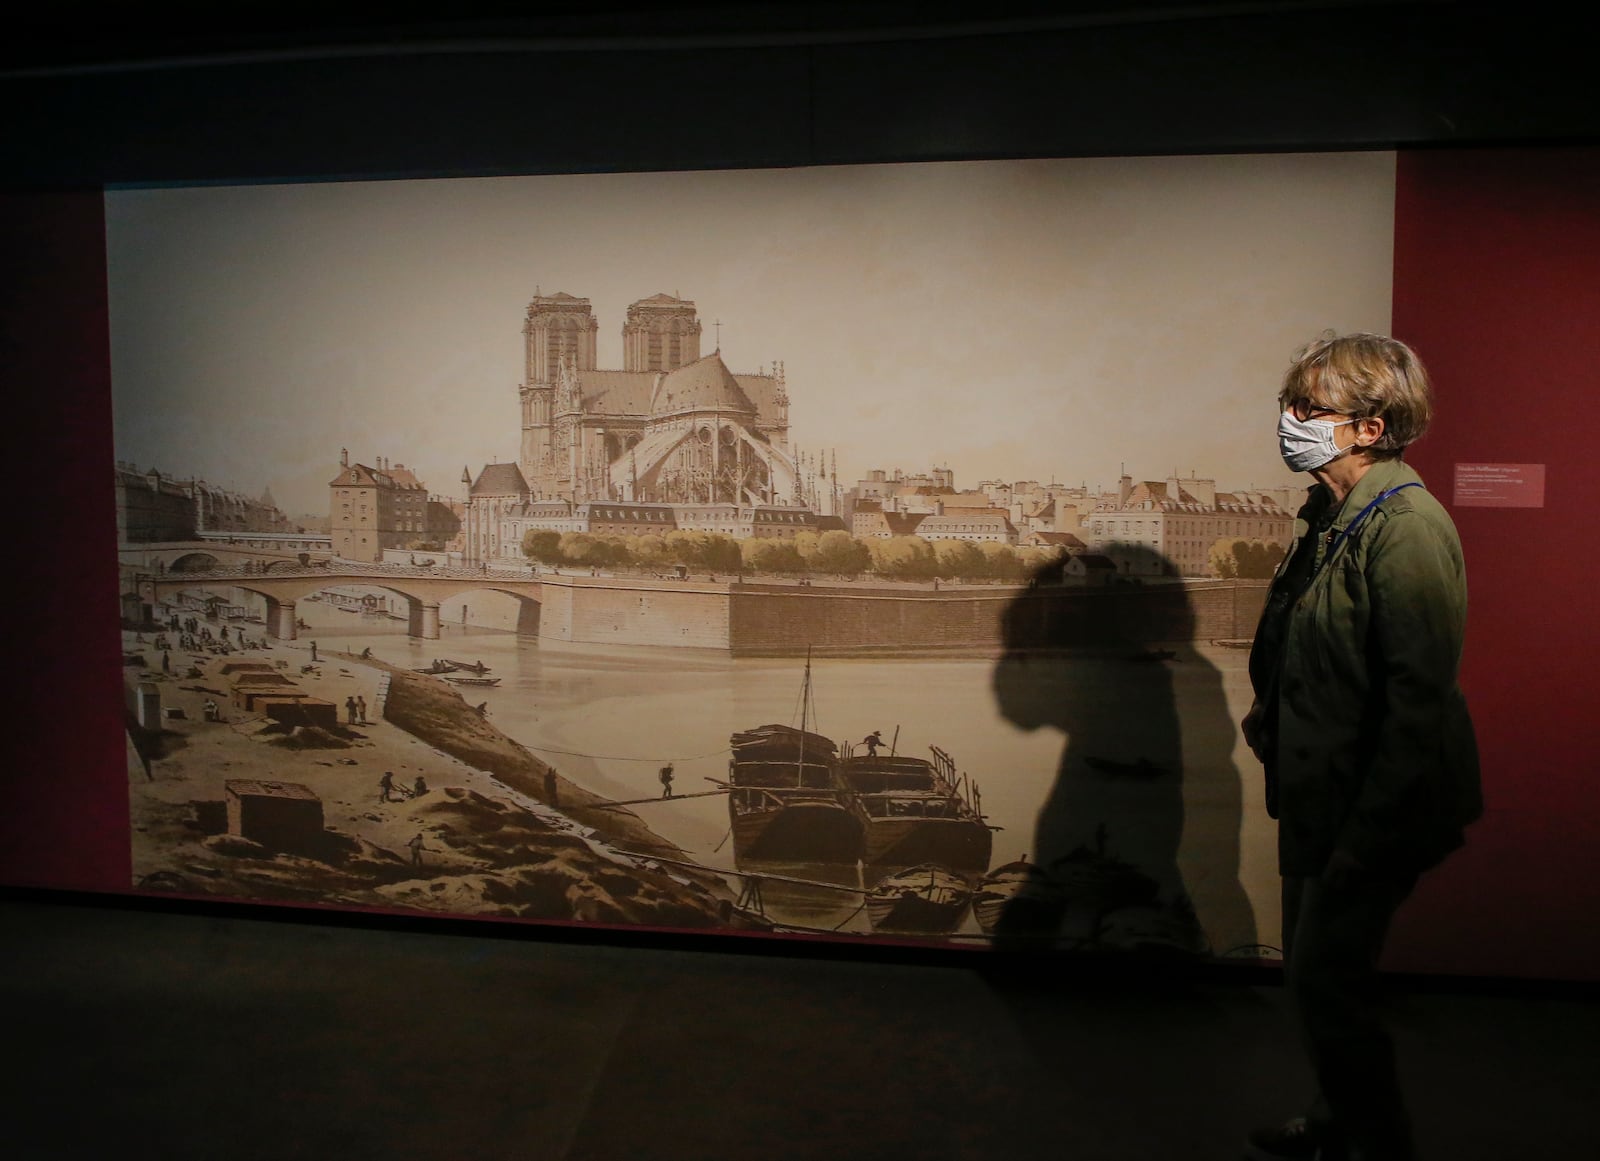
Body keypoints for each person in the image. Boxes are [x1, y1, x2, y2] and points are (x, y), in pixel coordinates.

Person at [1242, 333, 1480, 1161]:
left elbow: (1417, 699)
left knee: (1326, 980)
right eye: (1290, 403)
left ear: (1370, 427)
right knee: (1314, 979)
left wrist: (1368, 835)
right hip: (1319, 787)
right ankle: (1339, 1119)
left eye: (1308, 408)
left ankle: (1375, 1143)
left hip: (1370, 803)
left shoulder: (1408, 526)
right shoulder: (1330, 514)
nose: (1288, 421)